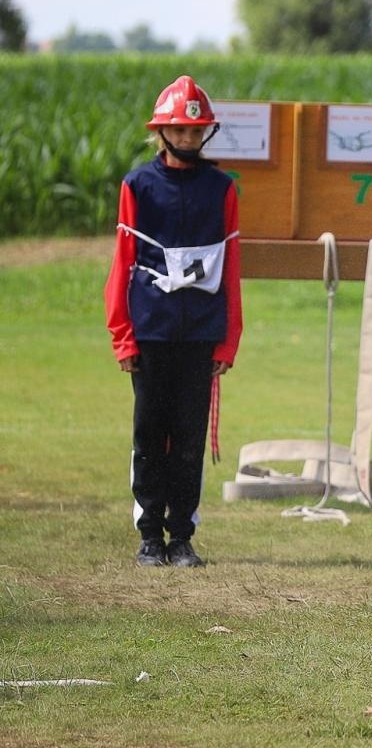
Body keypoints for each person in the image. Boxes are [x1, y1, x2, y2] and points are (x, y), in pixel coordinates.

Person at [105, 76, 242, 569]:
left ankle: (181, 536)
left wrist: (227, 341)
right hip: (151, 331)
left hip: (200, 334)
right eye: (178, 130)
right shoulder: (137, 186)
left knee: (188, 440)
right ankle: (149, 537)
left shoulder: (222, 189)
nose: (187, 139)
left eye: (195, 130)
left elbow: (232, 270)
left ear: (206, 132)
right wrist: (123, 336)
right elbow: (122, 264)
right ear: (162, 133)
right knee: (149, 434)